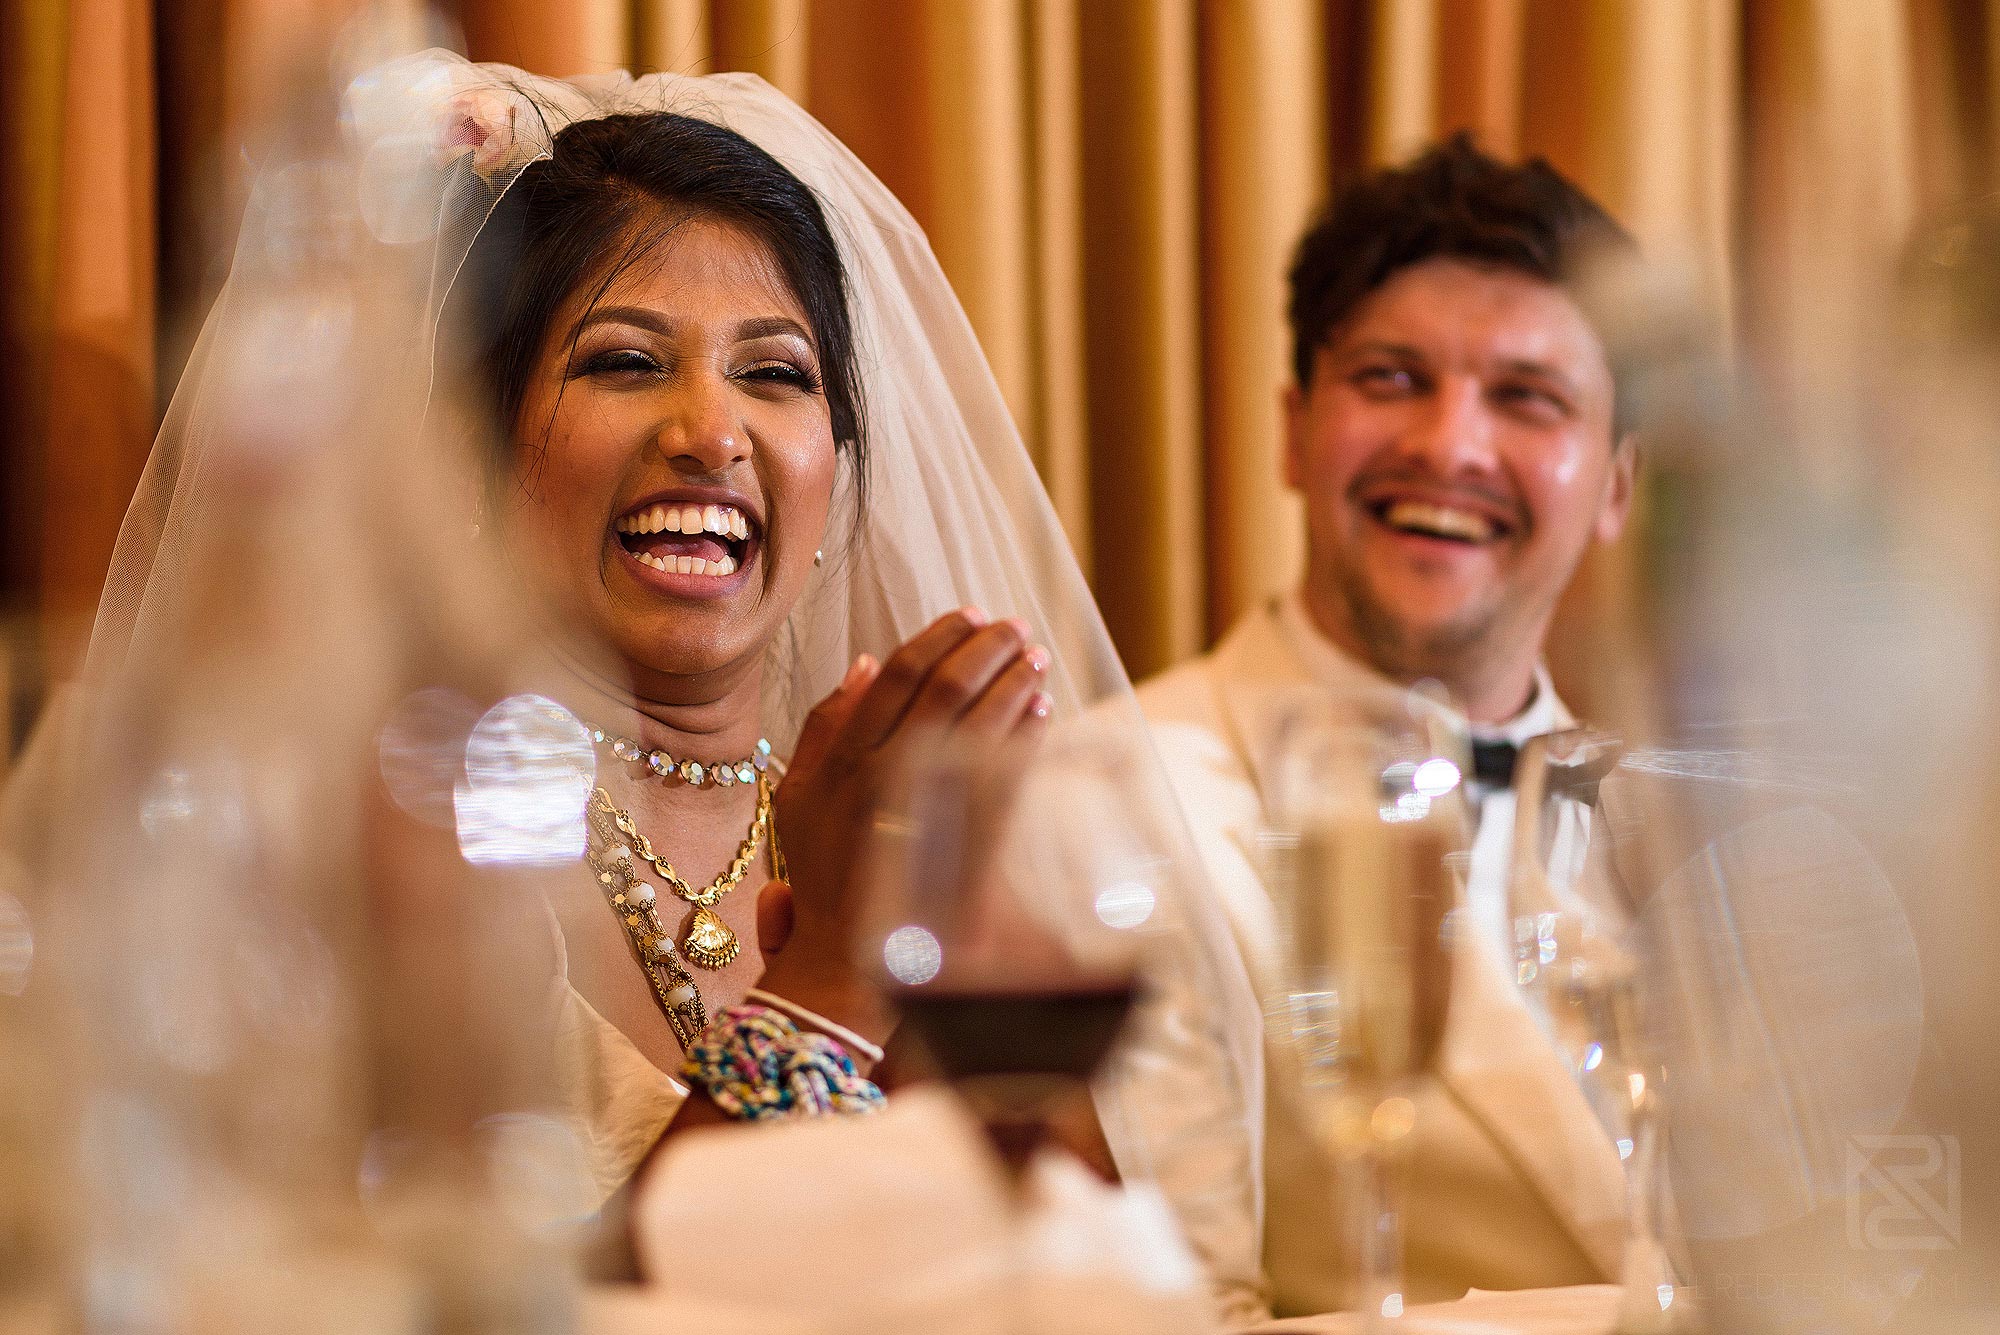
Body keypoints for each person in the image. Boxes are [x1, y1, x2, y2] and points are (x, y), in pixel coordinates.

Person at [3, 45, 1262, 1290]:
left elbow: (1101, 1286)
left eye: (774, 374)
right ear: (477, 459)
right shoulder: (389, 847)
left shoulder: (898, 820)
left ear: (840, 470)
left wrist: (945, 932)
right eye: (623, 361)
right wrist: (827, 977)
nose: (709, 432)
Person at [1135, 135, 1641, 1321]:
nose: (1448, 446)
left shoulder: (1700, 828)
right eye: (1390, 378)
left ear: (1616, 483)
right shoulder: (1116, 796)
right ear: (1292, 428)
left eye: (1526, 397)